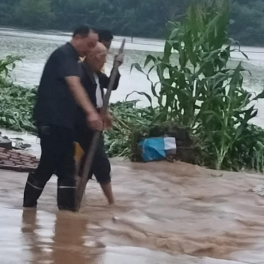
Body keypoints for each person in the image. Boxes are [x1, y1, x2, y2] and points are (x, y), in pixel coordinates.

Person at [23, 25, 102, 211]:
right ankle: (30, 207)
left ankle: (65, 212)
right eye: (89, 44)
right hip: (52, 121)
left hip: (64, 123)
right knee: (48, 165)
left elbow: (93, 84)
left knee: (66, 169)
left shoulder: (73, 60)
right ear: (77, 37)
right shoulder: (64, 55)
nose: (90, 49)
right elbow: (75, 85)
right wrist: (91, 113)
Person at [75, 42, 123, 205]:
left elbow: (112, 85)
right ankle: (111, 203)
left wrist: (116, 67)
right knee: (100, 162)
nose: (104, 61)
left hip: (95, 123)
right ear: (90, 56)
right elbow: (79, 101)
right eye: (102, 57)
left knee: (87, 163)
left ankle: (75, 197)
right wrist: (95, 114)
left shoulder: (95, 73)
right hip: (84, 125)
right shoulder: (80, 73)